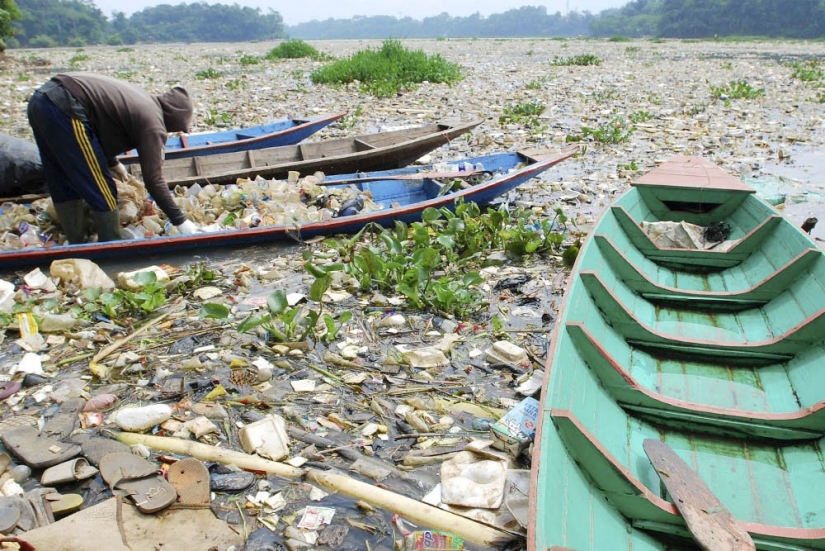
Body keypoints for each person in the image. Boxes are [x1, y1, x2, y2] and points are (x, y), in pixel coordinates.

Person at [26, 72, 200, 243]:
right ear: (173, 118)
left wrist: (113, 162)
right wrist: (180, 221)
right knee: (103, 188)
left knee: (59, 175)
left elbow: (100, 126)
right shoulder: (153, 123)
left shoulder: (143, 99)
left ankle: (77, 243)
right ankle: (109, 243)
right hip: (65, 105)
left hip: (41, 101)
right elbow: (154, 180)